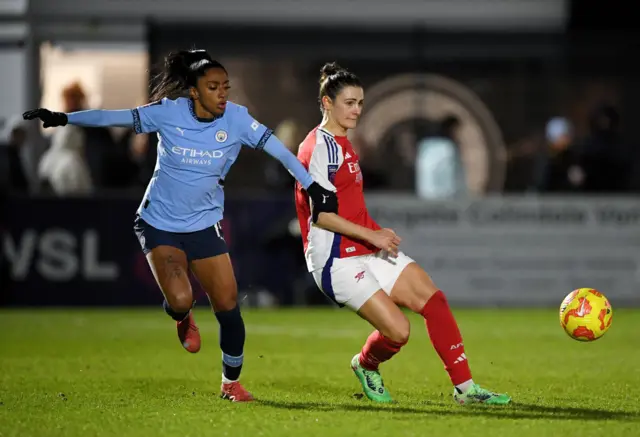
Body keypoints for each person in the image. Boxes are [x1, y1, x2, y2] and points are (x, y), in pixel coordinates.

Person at [23, 49, 337, 403]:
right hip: (159, 223)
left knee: (228, 304)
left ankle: (230, 384)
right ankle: (181, 314)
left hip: (204, 226)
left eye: (226, 87)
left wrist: (312, 186)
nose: (222, 93)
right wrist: (64, 118)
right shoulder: (167, 113)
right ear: (193, 91)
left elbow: (281, 152)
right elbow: (113, 117)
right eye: (214, 86)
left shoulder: (236, 120)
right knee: (181, 298)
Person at [294, 62, 511, 405]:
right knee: (398, 332)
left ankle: (466, 390)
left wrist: (374, 232)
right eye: (349, 103)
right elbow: (321, 216)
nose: (357, 110)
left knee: (434, 302)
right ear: (327, 103)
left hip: (364, 245)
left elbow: (349, 204)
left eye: (360, 103)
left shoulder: (344, 143)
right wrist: (374, 236)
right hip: (334, 260)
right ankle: (366, 365)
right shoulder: (317, 148)